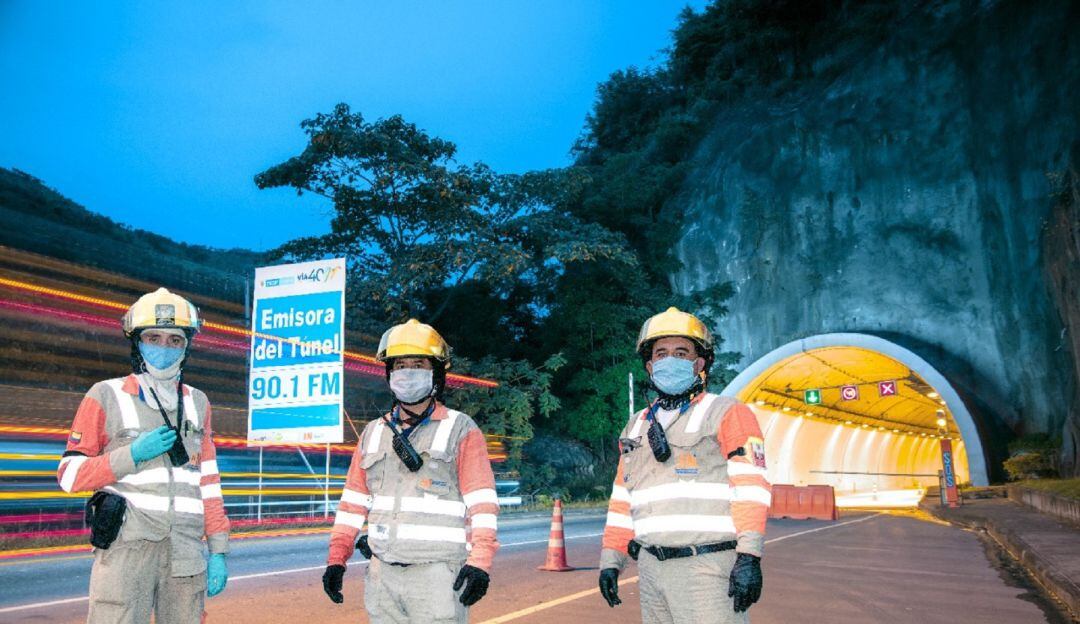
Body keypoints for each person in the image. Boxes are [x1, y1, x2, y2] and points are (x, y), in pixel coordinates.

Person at [57, 287, 230, 623]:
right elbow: (69, 475)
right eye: (154, 337)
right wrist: (132, 454)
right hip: (128, 549)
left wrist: (219, 549)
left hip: (185, 552)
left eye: (174, 339)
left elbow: (208, 482)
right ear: (136, 341)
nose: (164, 347)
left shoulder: (199, 402)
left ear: (187, 345)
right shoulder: (105, 395)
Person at [598, 307, 771, 622]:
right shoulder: (636, 426)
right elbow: (623, 500)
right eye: (661, 353)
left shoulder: (727, 412)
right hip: (651, 570)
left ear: (699, 363)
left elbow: (752, 489)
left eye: (681, 352)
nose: (669, 359)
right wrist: (611, 560)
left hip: (707, 568)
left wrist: (749, 556)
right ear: (650, 366)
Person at [322, 319, 499, 623]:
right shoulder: (373, 433)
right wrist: (337, 558)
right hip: (381, 577)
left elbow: (482, 506)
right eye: (400, 365)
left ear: (437, 373)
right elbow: (351, 505)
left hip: (437, 578)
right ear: (389, 374)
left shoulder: (461, 429)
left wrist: (480, 562)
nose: (407, 373)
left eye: (418, 363)